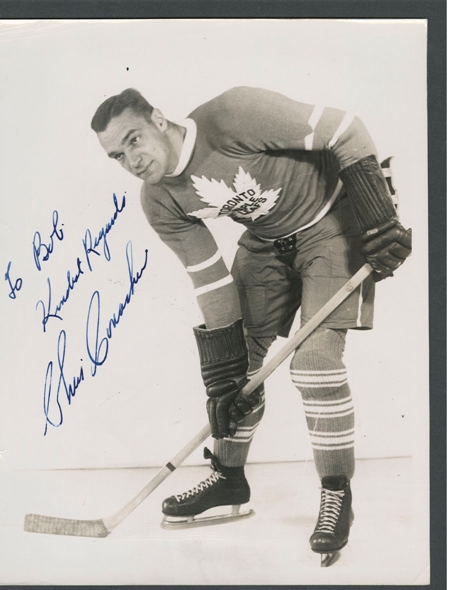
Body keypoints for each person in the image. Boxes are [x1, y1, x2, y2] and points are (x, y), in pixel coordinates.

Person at [91, 86, 411, 565]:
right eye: (117, 155)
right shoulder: (158, 200)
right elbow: (210, 280)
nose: (131, 160)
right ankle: (228, 478)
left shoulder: (234, 115)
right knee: (235, 368)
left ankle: (335, 493)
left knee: (315, 362)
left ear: (158, 119)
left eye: (133, 140)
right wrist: (224, 373)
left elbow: (346, 130)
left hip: (333, 224)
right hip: (268, 243)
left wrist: (379, 216)